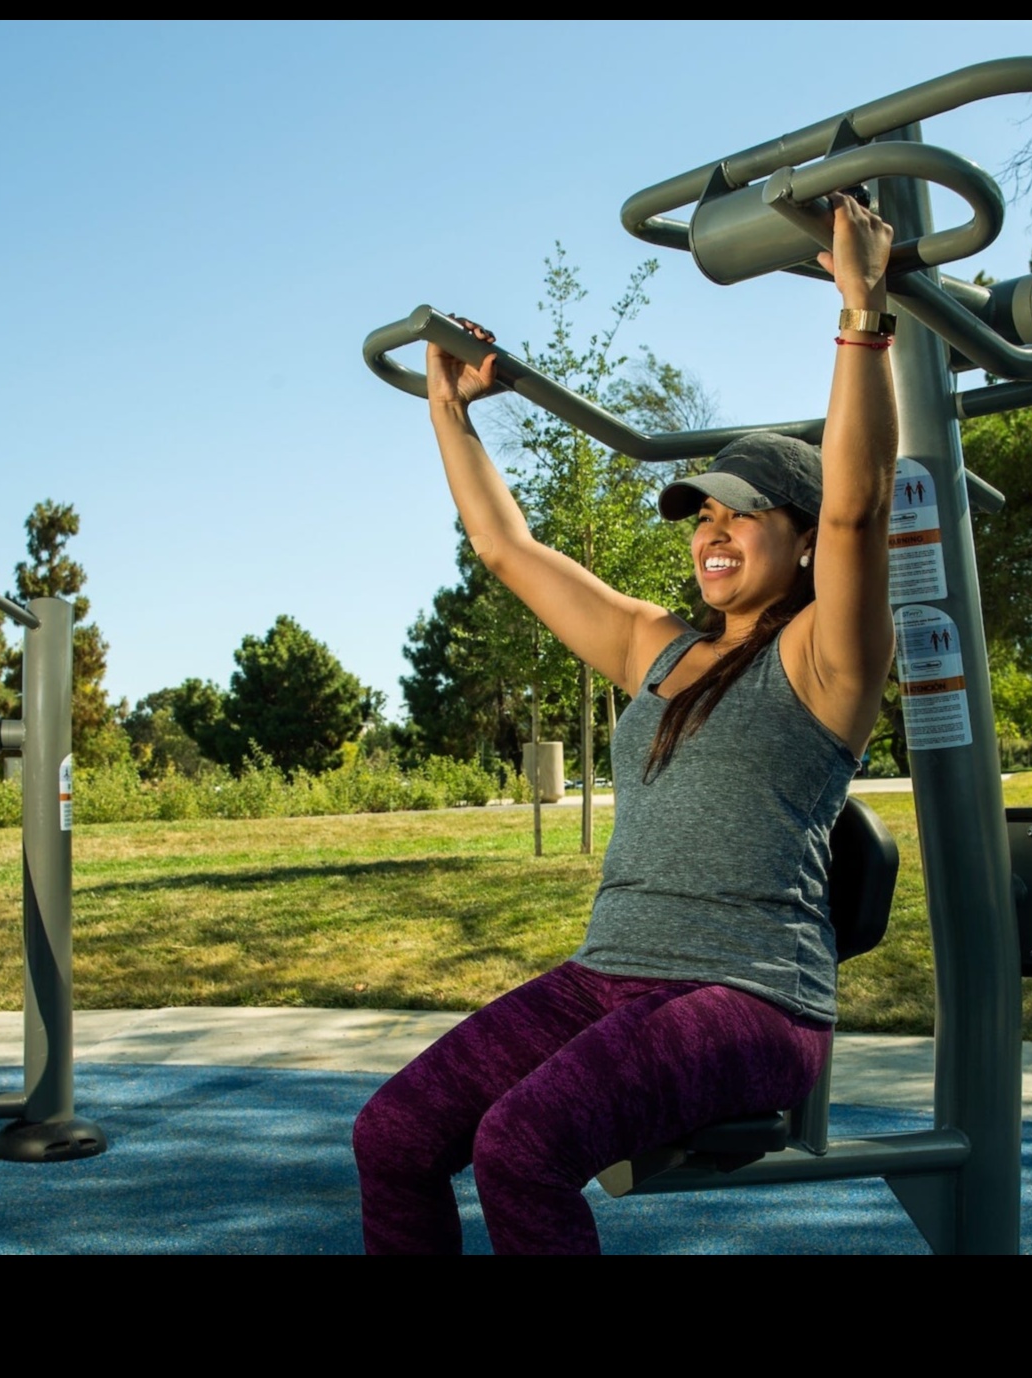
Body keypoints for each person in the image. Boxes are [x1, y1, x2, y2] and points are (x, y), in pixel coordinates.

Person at [351, 194, 900, 1253]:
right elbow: (508, 550)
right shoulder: (661, 647)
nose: (715, 531)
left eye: (743, 513)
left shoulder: (826, 656)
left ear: (797, 538)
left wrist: (862, 313)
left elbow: (858, 508)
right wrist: (448, 410)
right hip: (611, 971)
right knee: (395, 1132)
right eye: (703, 514)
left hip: (751, 995)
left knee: (521, 1143)